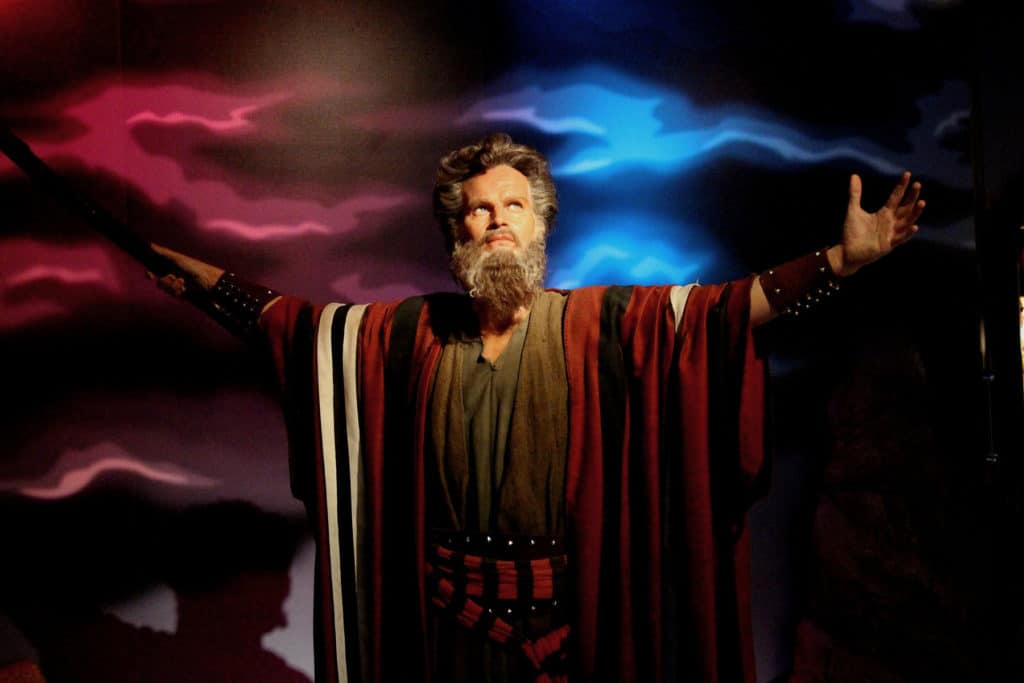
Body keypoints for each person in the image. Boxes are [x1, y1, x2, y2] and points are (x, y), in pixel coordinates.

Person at [151, 133, 924, 683]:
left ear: (541, 224)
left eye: (514, 205)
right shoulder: (410, 335)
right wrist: (204, 284)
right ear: (456, 232)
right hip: (448, 633)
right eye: (479, 209)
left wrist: (841, 263)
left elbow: (724, 312)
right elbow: (300, 327)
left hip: (565, 629)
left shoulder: (600, 325)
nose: (497, 219)